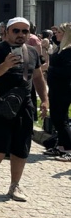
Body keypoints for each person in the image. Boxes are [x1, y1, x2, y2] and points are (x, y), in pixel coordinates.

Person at [0, 17, 49, 201]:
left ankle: (14, 185)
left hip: (24, 104)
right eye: (16, 31)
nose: (20, 35)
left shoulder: (32, 53)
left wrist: (44, 100)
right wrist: (6, 65)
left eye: (24, 31)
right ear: (7, 32)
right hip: (0, 104)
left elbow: (38, 78)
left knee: (22, 146)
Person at [46, 23, 71, 161]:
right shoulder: (61, 48)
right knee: (57, 118)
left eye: (60, 32)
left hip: (64, 89)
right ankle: (61, 146)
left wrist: (51, 70)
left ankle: (68, 148)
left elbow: (67, 71)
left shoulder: (68, 51)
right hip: (56, 88)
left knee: (61, 119)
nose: (56, 34)